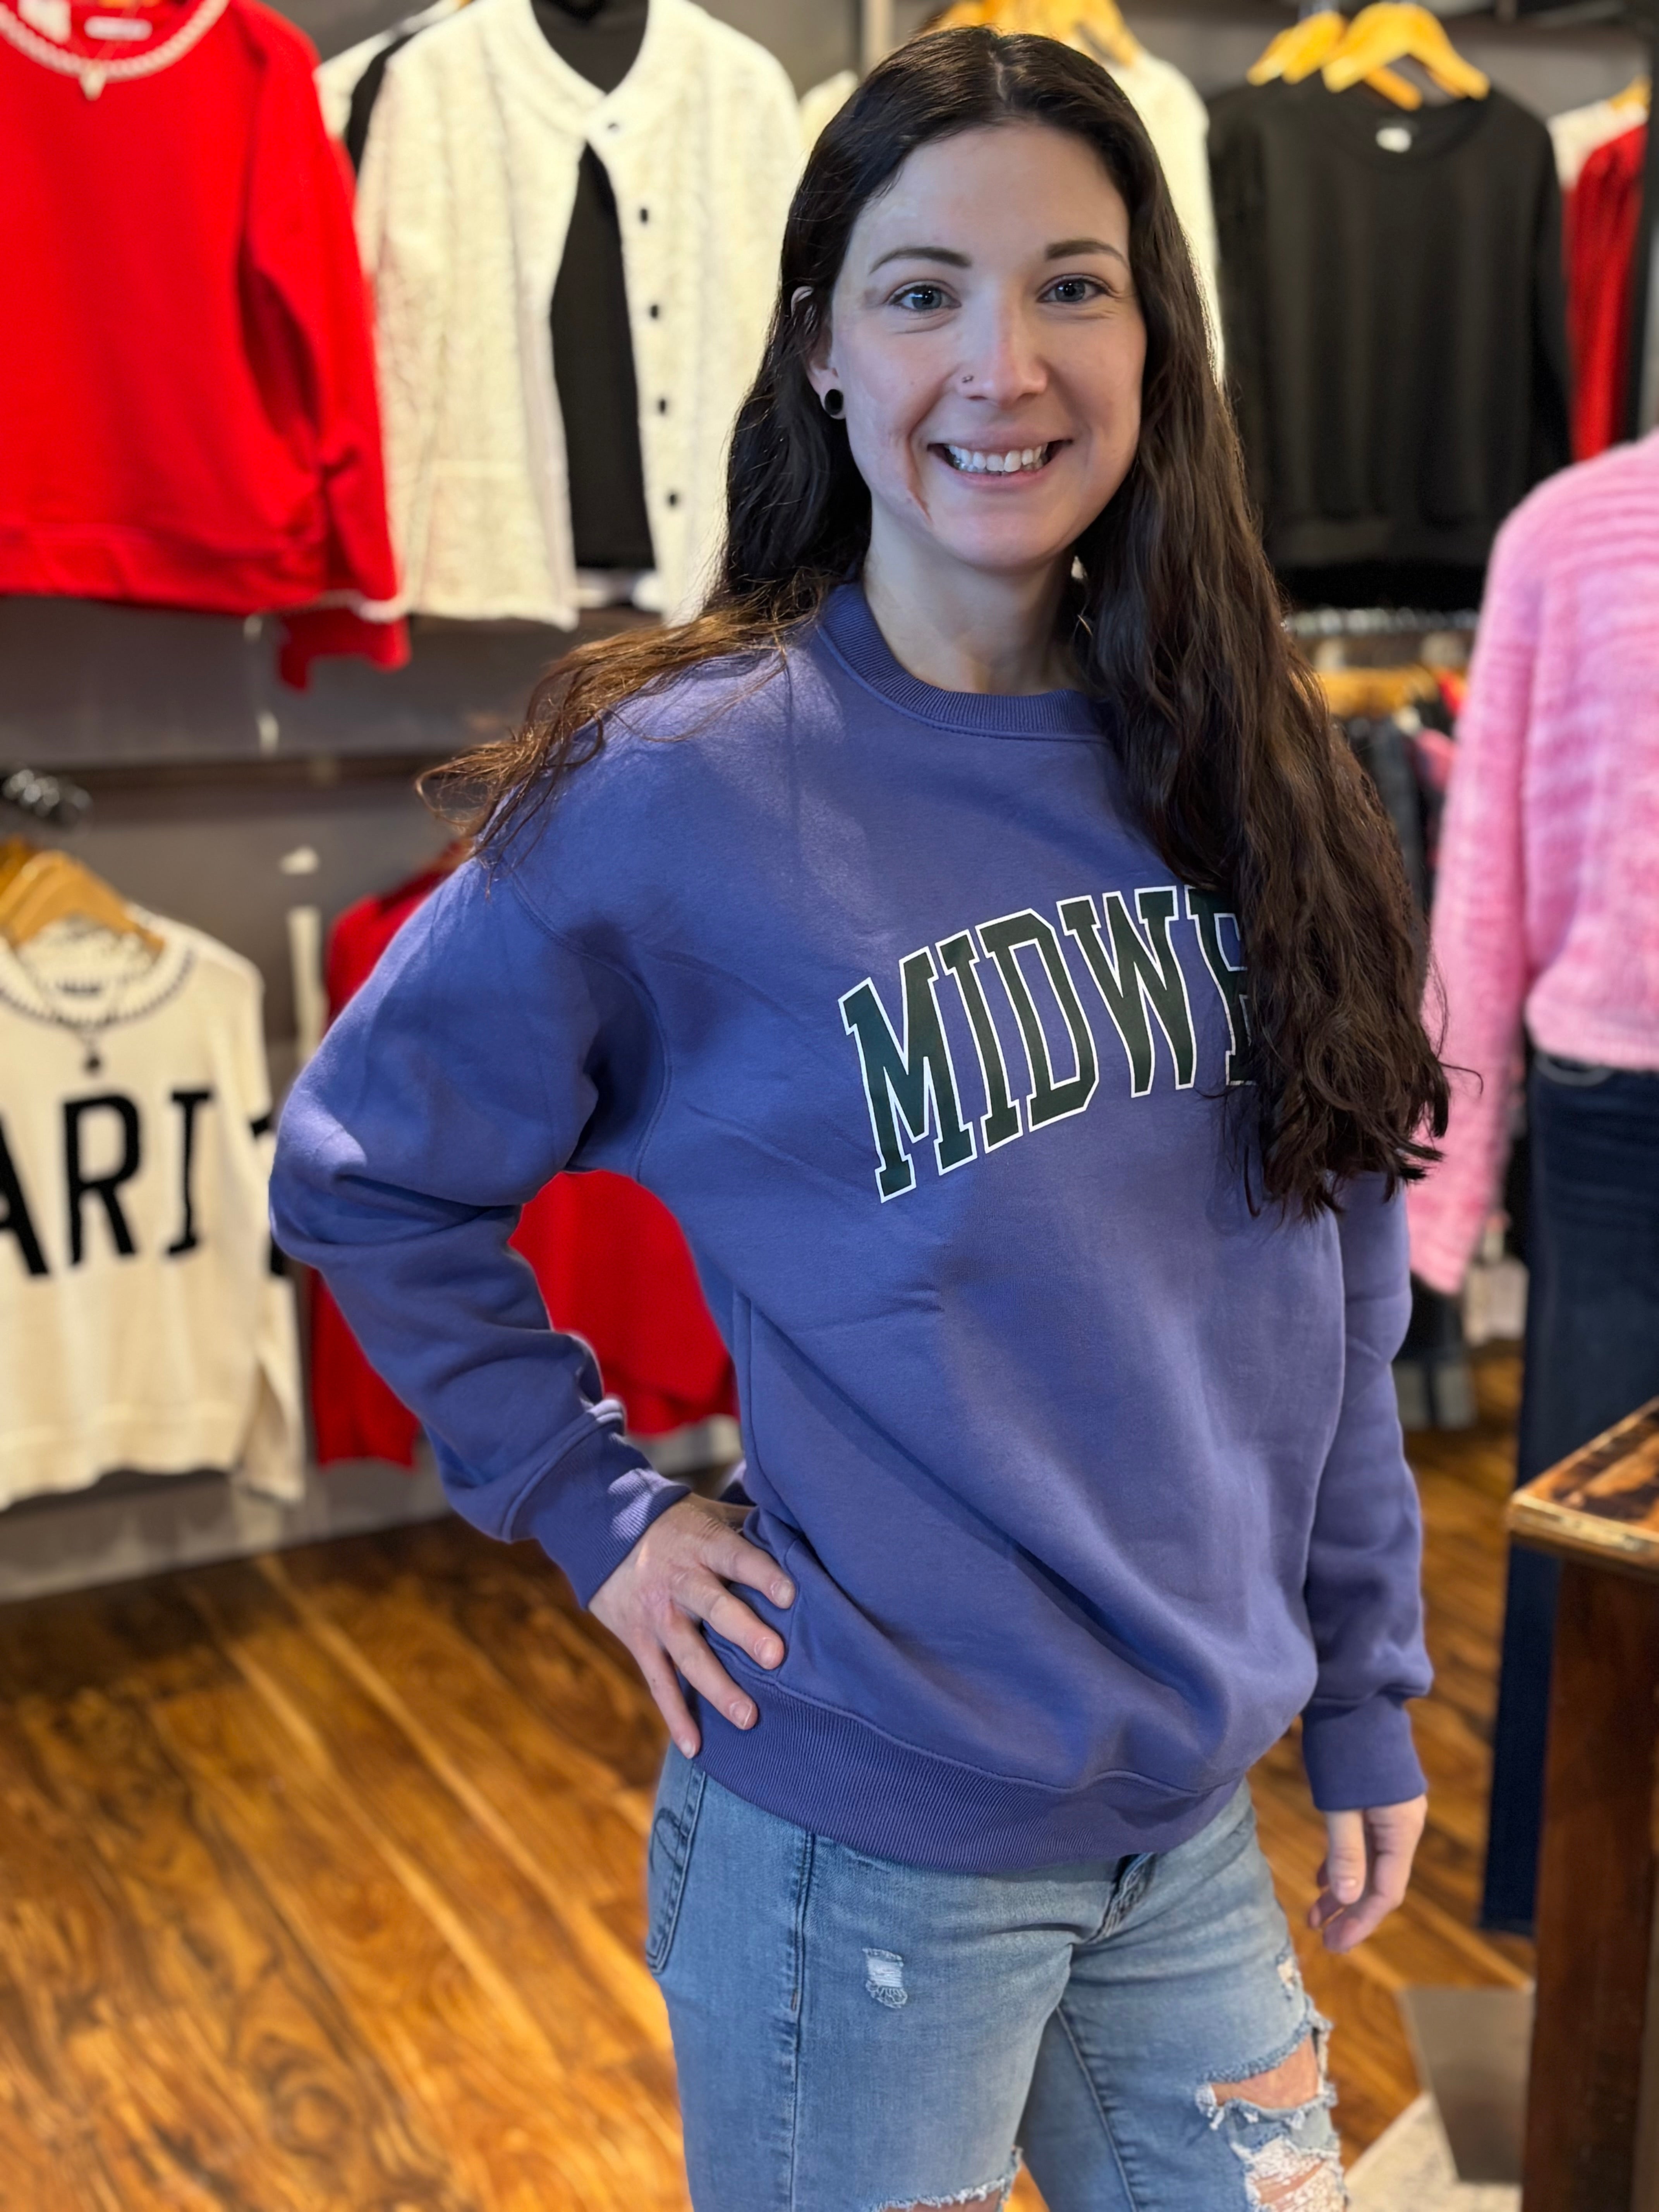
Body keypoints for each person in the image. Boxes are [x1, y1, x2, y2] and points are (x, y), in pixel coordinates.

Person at [273, 29, 1446, 2210]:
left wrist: (1367, 1679)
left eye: (1072, 286)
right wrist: (597, 1511)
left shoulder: (1254, 767)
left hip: (1187, 1823)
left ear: (1155, 340)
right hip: (864, 1855)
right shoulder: (683, 780)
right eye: (924, 292)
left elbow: (1339, 1277)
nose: (1003, 364)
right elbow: (366, 1172)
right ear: (821, 348)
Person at [1408, 428, 1659, 1936]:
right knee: (1587, 1522)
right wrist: (1443, 1175)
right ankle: (1566, 1924)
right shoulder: (1566, 535)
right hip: (1617, 1104)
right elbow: (1484, 862)